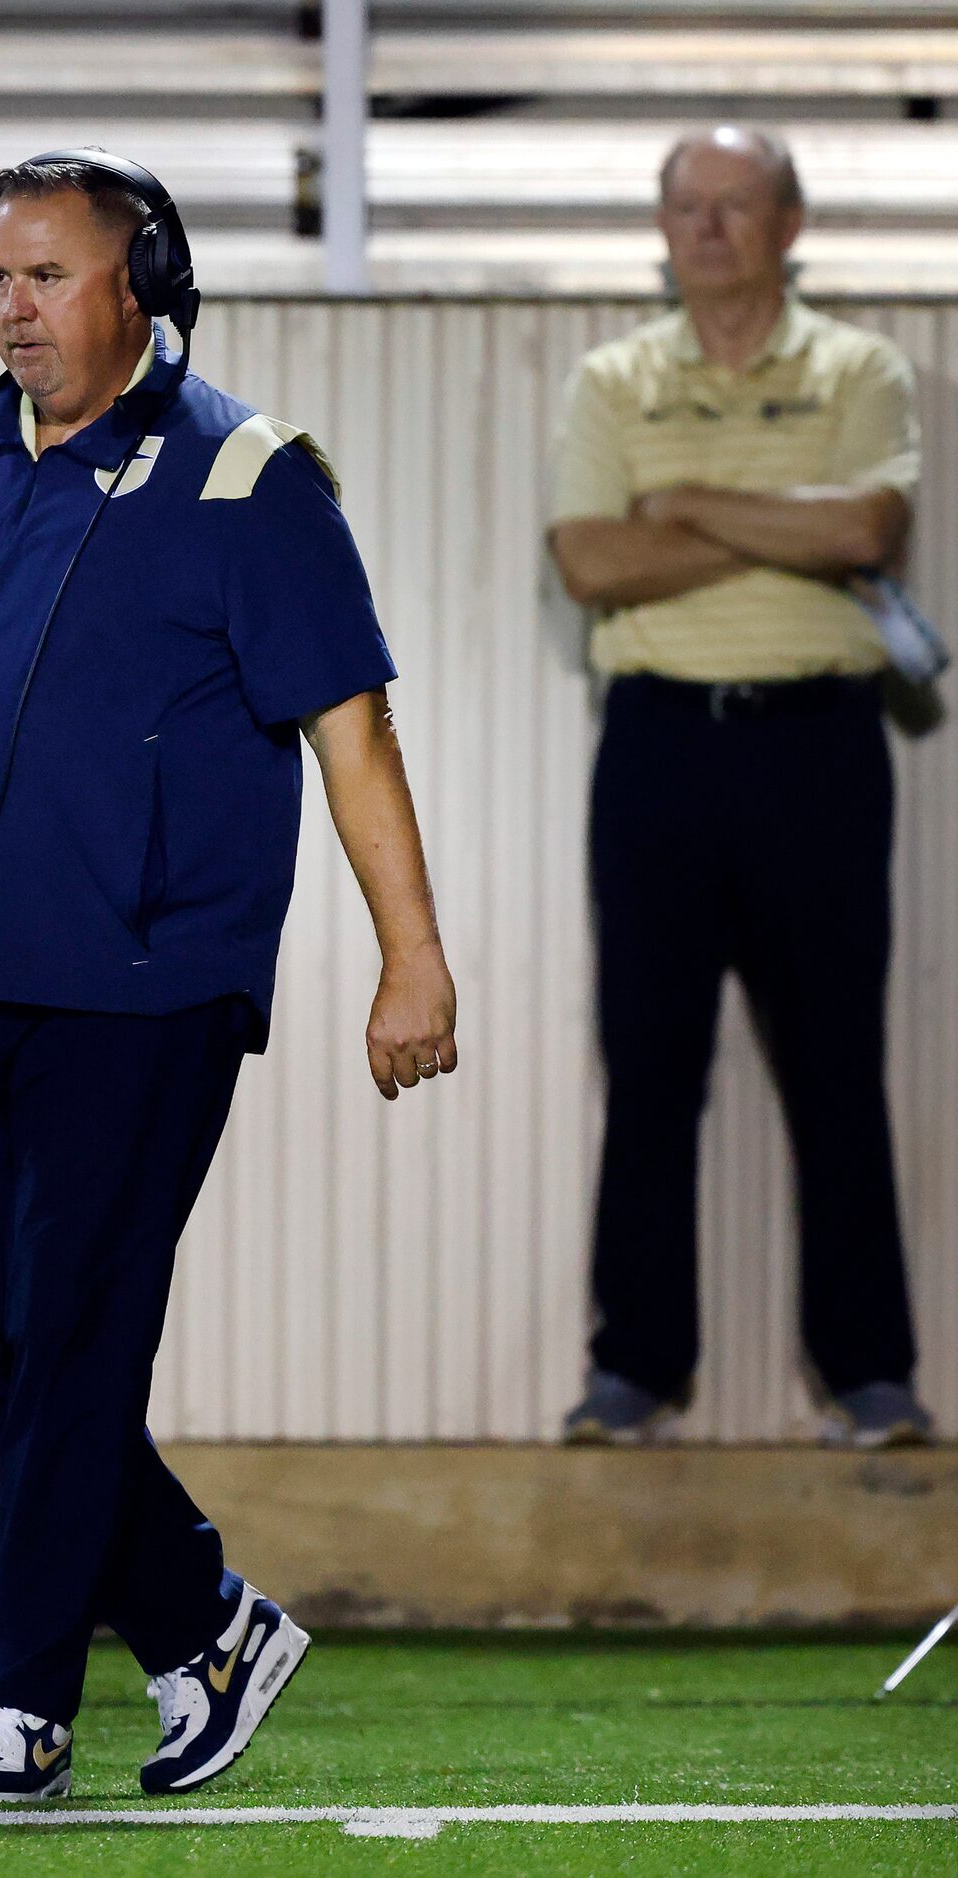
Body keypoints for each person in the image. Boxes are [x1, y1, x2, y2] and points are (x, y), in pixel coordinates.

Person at [0, 152, 456, 1802]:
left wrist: (413, 955)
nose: (13, 310)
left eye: (46, 277)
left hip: (152, 980)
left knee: (73, 1336)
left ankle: (22, 1701)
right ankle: (200, 1617)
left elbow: (353, 727)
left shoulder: (245, 477)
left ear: (142, 283)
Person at [547, 126, 931, 1450]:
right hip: (656, 750)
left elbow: (861, 531)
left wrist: (688, 501)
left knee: (836, 1066)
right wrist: (777, 521)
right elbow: (591, 561)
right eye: (687, 207)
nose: (709, 229)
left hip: (819, 749)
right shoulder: (612, 379)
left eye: (736, 205)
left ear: (790, 220)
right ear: (661, 228)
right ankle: (636, 1370)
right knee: (651, 1068)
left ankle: (869, 1374)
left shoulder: (862, 368)